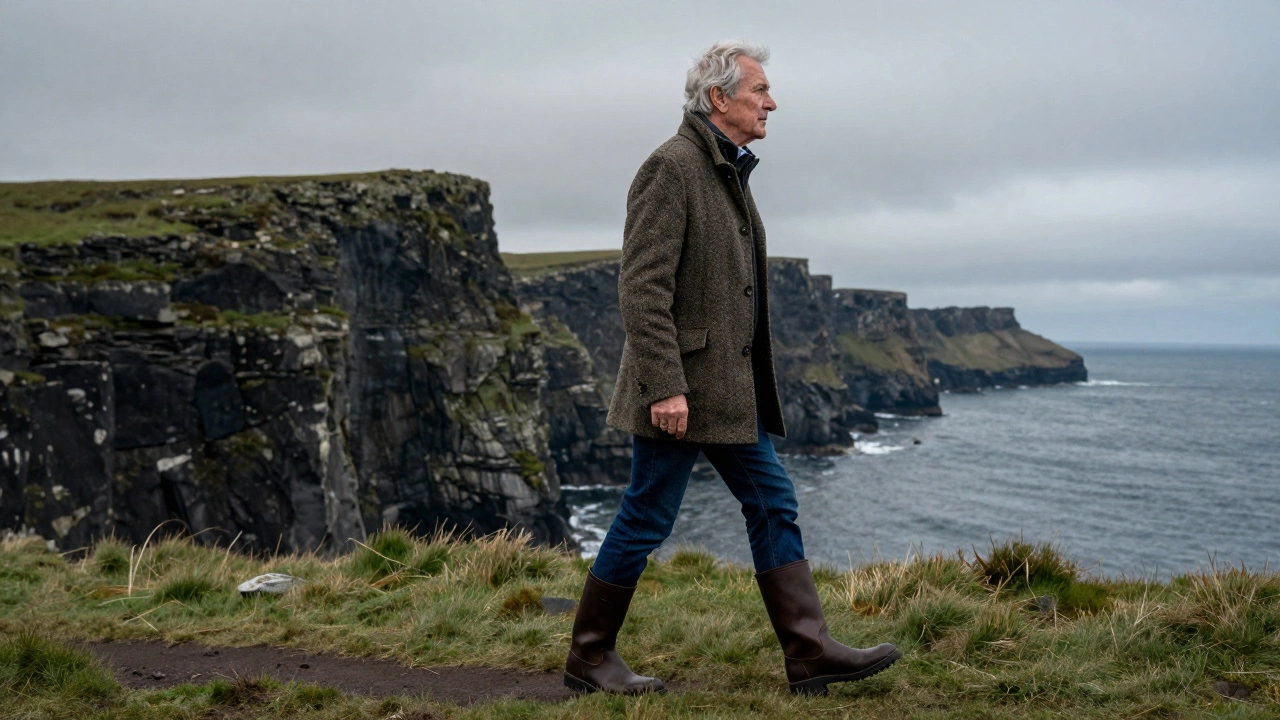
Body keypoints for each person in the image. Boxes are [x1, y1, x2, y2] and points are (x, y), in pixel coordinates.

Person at [562, 41, 901, 697]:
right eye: (760, 91)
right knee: (646, 516)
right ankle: (589, 656)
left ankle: (808, 653)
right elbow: (641, 290)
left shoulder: (723, 170)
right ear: (720, 99)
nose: (771, 103)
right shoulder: (672, 168)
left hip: (722, 393)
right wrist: (664, 385)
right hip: (682, 394)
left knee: (771, 501)